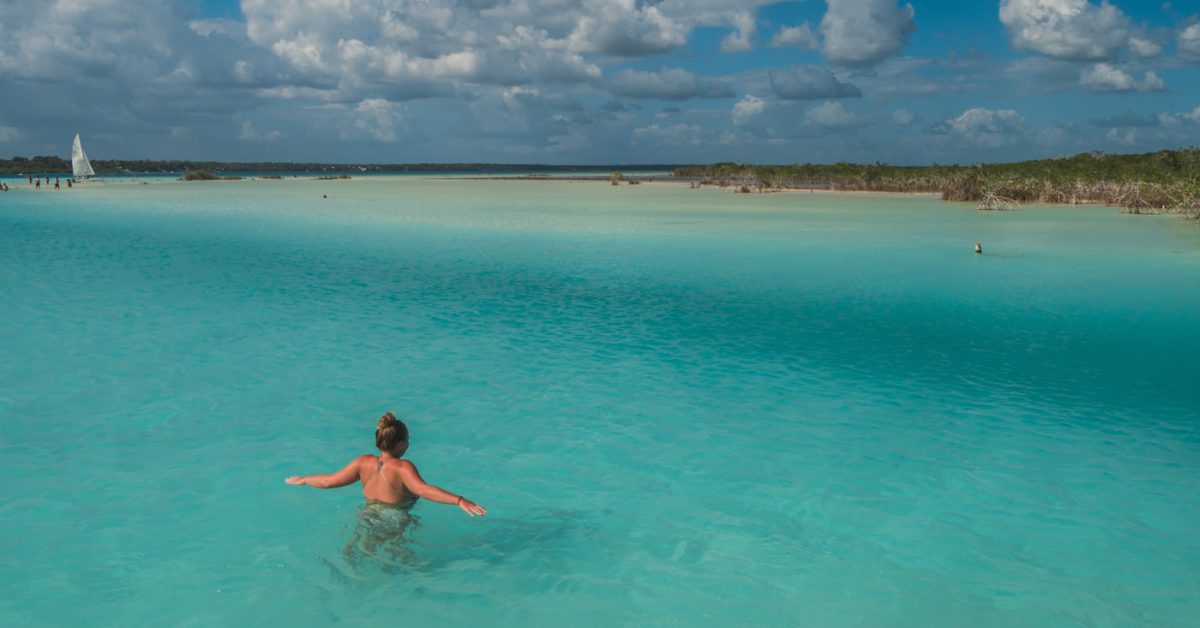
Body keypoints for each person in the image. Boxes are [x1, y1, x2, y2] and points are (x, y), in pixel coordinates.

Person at [286, 411, 486, 517]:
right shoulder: (403, 467)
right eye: (407, 439)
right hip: (394, 518)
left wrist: (305, 479)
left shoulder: (363, 462)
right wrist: (459, 500)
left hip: (367, 514)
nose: (409, 443)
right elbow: (423, 490)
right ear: (400, 444)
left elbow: (329, 481)